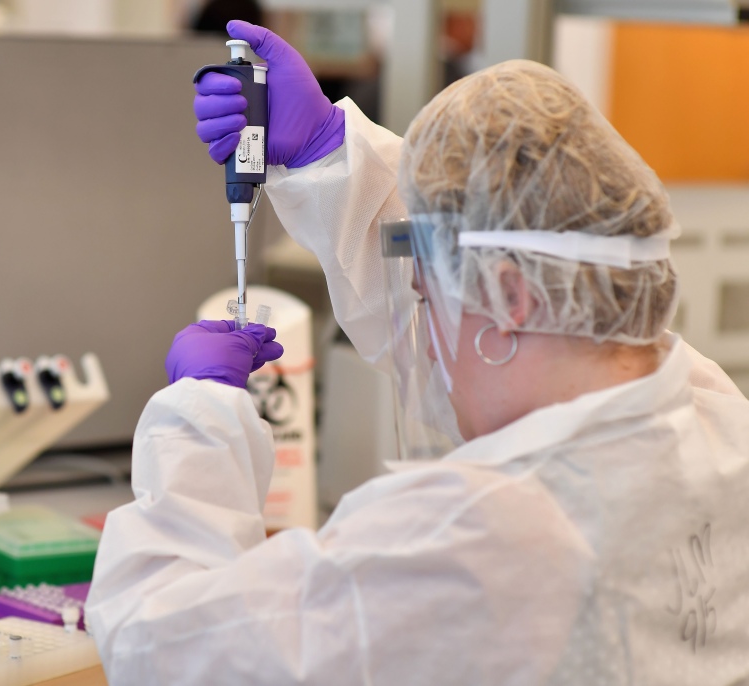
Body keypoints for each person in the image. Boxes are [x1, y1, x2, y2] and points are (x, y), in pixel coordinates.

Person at [85, 20, 749, 685]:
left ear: (513, 298)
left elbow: (158, 643)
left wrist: (199, 421)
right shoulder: (715, 422)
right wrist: (328, 155)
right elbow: (495, 282)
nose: (423, 336)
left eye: (428, 300)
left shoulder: (470, 544)